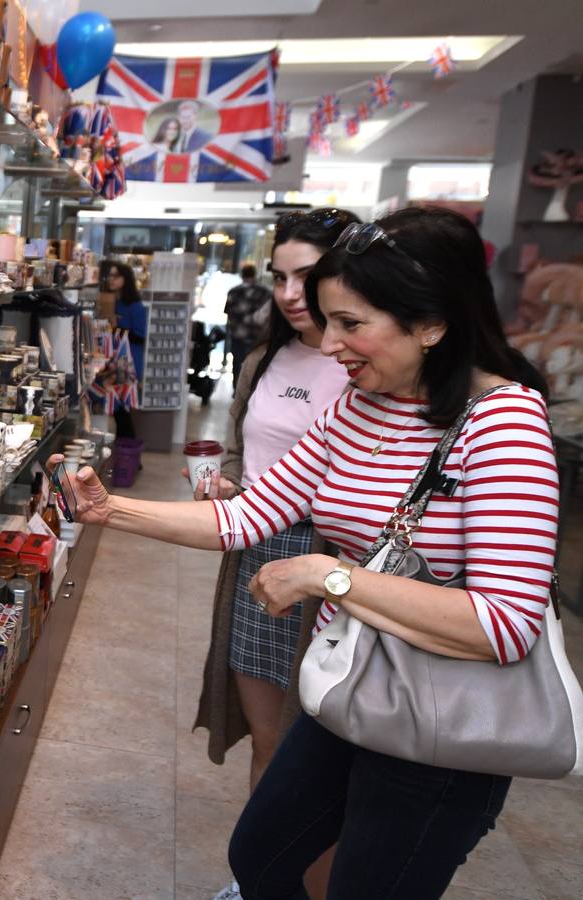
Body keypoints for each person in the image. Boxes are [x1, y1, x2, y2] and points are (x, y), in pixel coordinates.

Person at [56, 207, 556, 898]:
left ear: (433, 323)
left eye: (353, 325)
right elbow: (246, 516)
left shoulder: (504, 424)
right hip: (344, 692)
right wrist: (109, 509)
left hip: (438, 727)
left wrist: (329, 575)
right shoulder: (359, 403)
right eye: (329, 321)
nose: (330, 347)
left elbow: (503, 624)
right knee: (260, 853)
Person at [193, 209, 358, 900]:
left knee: (322, 751)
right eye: (281, 276)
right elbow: (244, 447)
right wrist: (226, 479)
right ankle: (262, 880)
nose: (292, 293)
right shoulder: (266, 357)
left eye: (308, 276)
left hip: (335, 563)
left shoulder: (368, 363)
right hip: (258, 549)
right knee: (268, 737)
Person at [102, 261, 146, 438]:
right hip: (113, 361)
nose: (112, 280)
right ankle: (126, 455)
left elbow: (140, 336)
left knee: (122, 409)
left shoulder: (135, 306)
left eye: (116, 276)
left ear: (126, 279)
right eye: (110, 276)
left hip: (128, 362)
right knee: (118, 410)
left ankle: (129, 455)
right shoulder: (112, 302)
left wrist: (115, 328)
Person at [223, 263, 273, 389]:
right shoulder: (265, 292)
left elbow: (228, 313)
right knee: (255, 365)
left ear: (242, 275)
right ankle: (253, 390)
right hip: (258, 336)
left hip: (238, 335)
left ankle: (237, 390)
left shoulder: (233, 292)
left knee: (237, 363)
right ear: (255, 274)